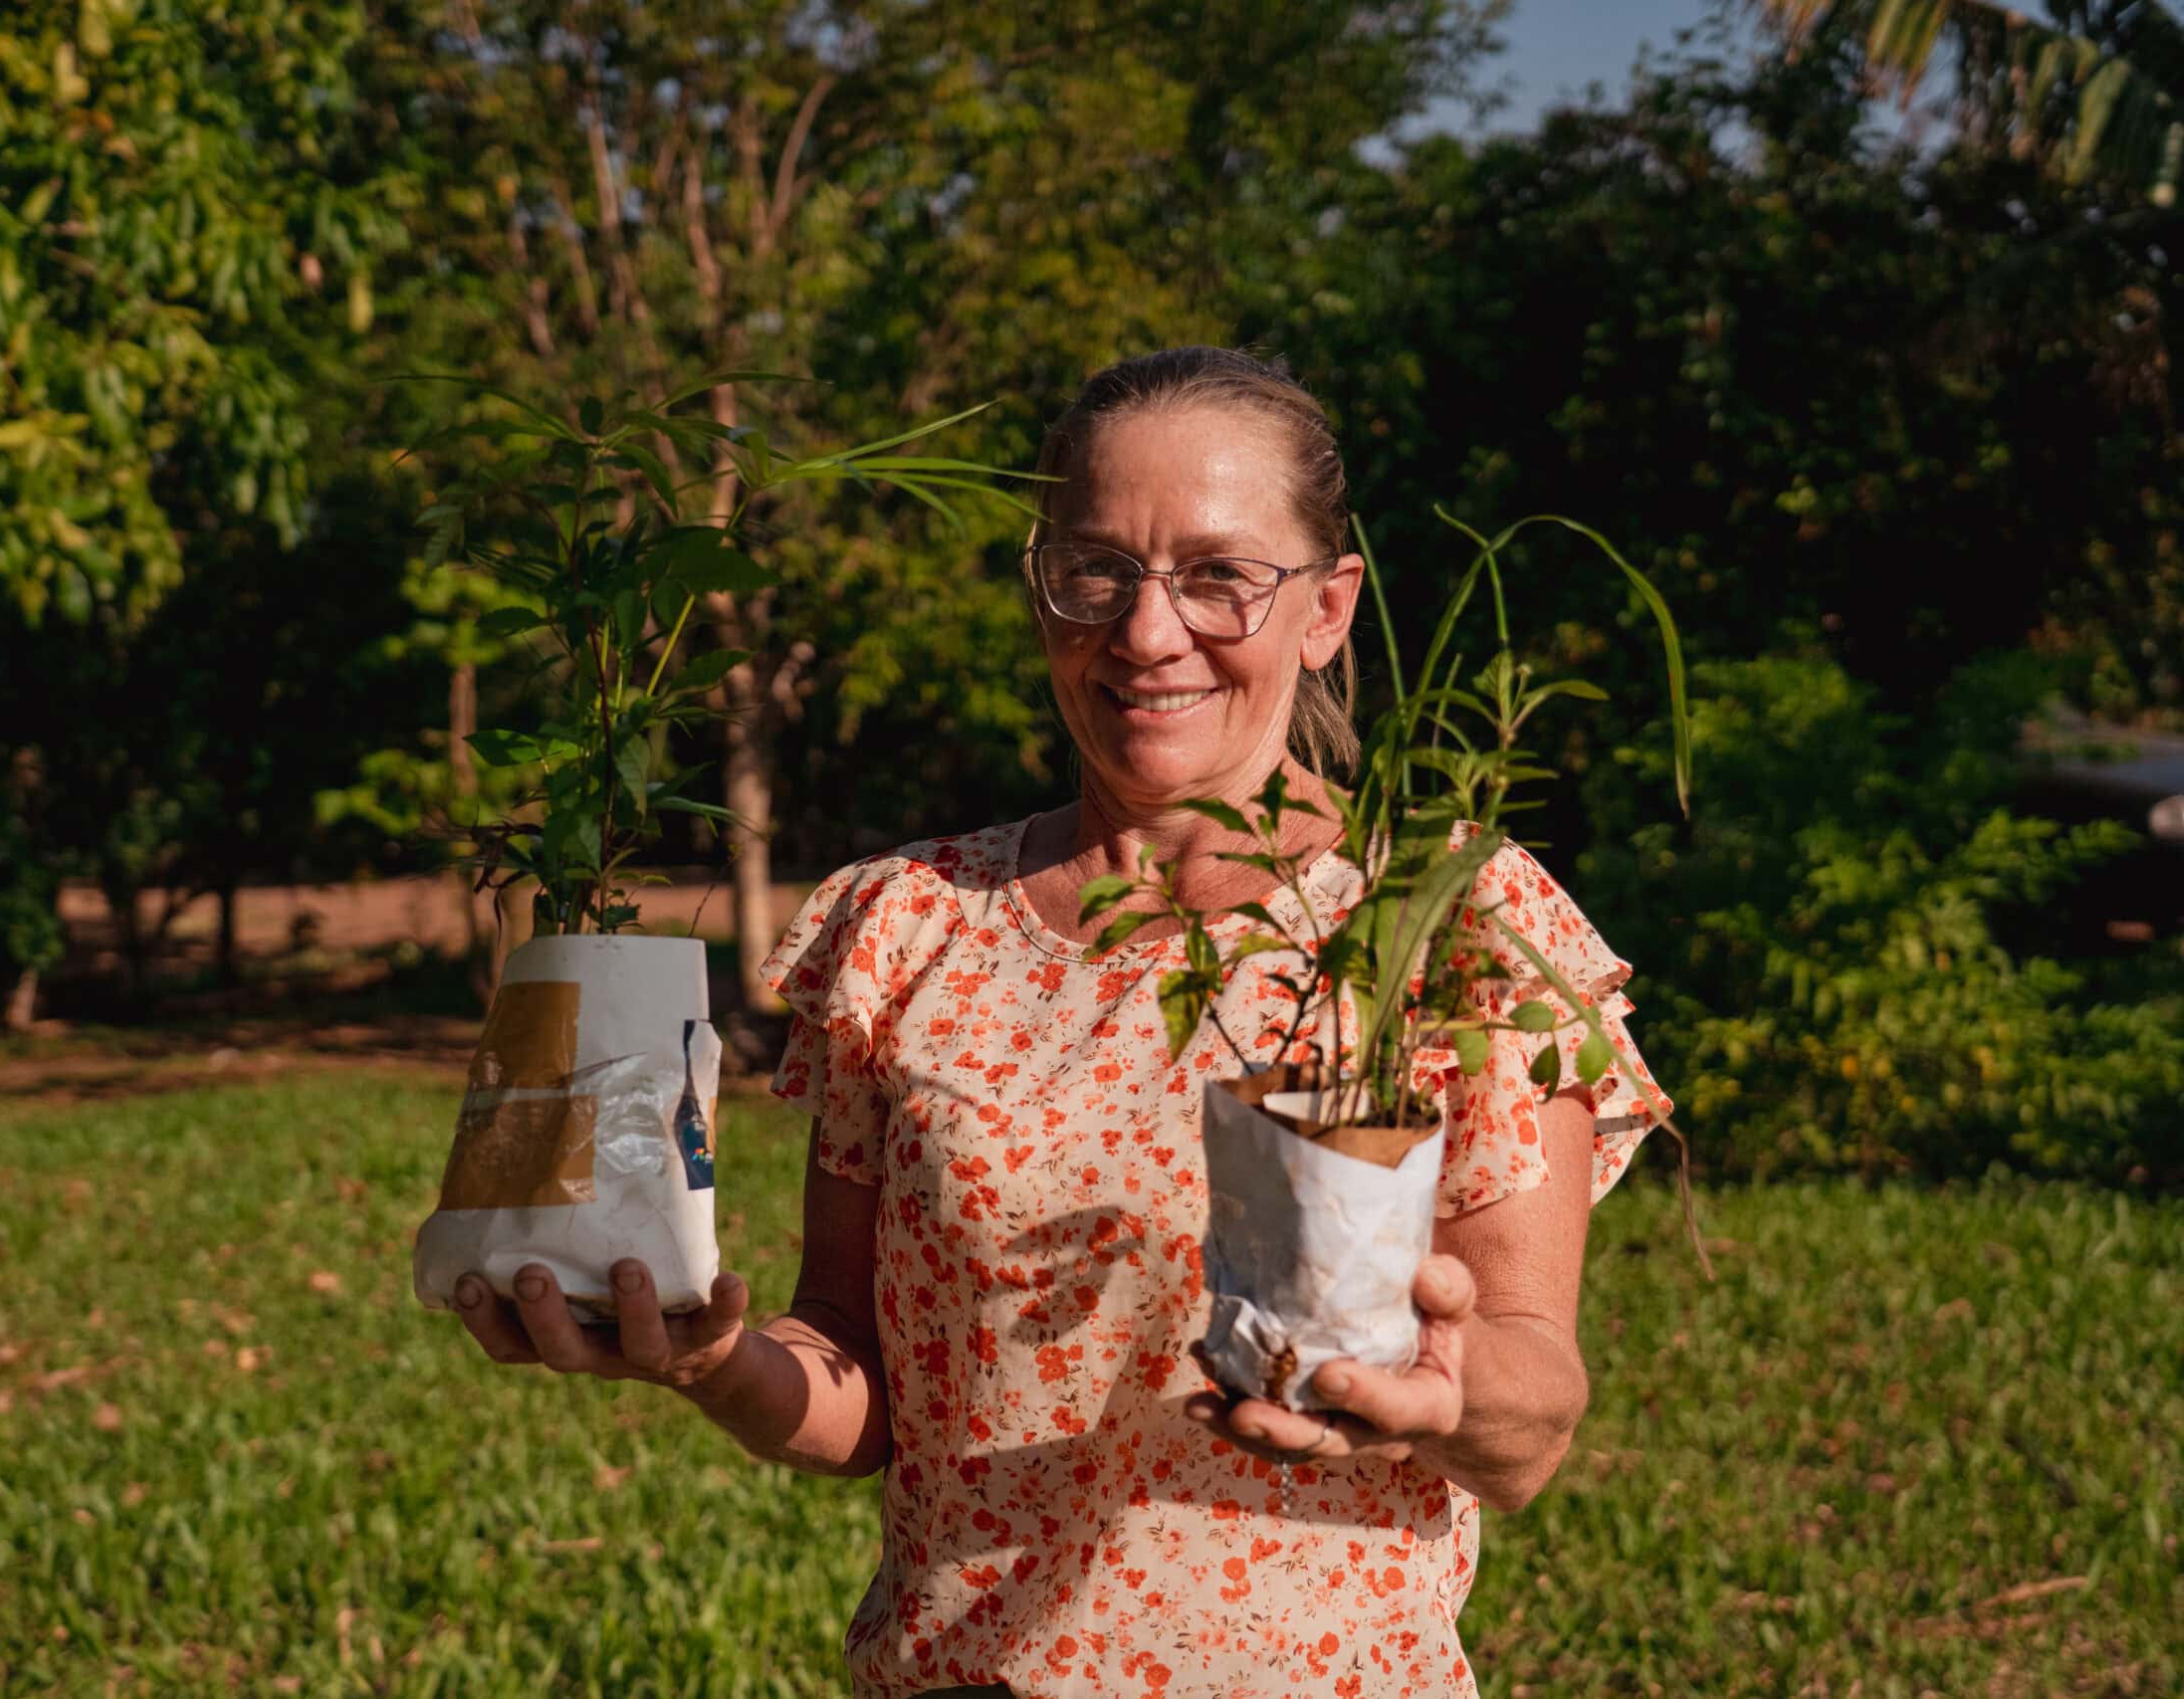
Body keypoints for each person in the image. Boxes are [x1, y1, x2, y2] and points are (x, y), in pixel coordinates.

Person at [451, 346, 1669, 1697]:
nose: (1148, 633)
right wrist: (715, 1358)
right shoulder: (907, 926)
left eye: (1221, 575)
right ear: (1043, 589)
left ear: (1327, 609)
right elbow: (860, 1385)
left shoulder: (1455, 917)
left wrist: (1448, 1391)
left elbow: (1532, 1421)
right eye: (1097, 569)